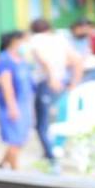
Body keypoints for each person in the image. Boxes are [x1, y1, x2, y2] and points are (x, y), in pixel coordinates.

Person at [28, 18, 84, 170]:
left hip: (48, 83)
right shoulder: (59, 39)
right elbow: (77, 60)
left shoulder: (36, 40)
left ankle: (51, 157)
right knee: (57, 119)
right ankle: (52, 151)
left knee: (42, 124)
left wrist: (52, 77)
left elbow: (44, 60)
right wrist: (74, 83)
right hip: (62, 82)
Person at [0, 31, 35, 171]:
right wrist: (12, 107)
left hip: (24, 104)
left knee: (21, 140)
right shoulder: (5, 59)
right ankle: (16, 173)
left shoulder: (21, 59)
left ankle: (1, 164)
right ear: (14, 41)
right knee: (15, 141)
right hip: (12, 105)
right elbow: (6, 85)